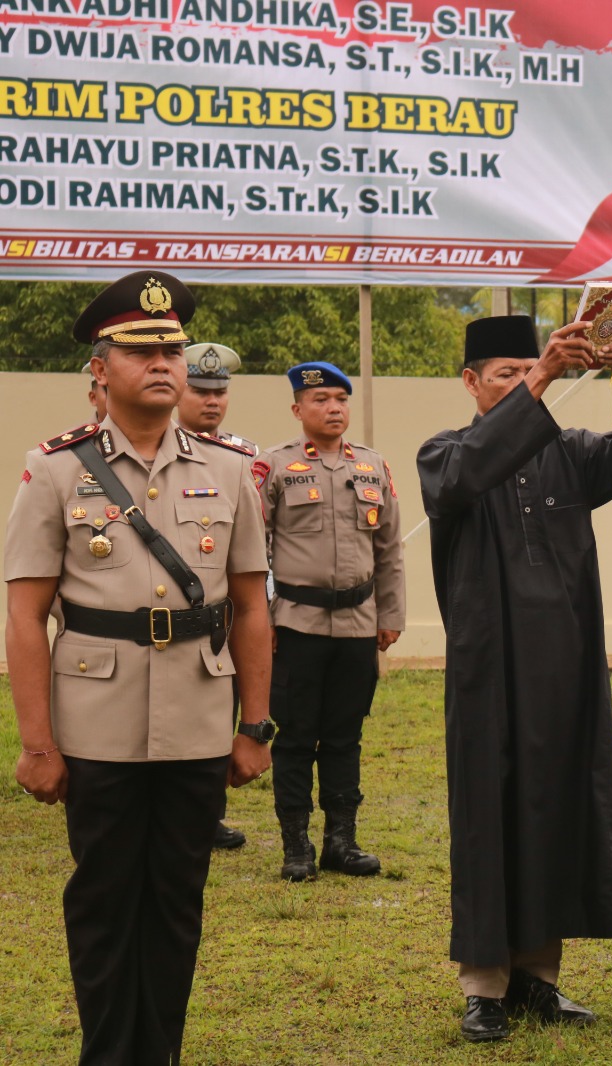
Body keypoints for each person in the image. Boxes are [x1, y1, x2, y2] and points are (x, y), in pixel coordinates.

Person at [6, 270, 272, 1063]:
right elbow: (24, 616)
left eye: (173, 349)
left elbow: (253, 609)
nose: (163, 361)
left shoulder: (229, 469)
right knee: (102, 900)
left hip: (197, 719)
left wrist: (255, 726)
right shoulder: (54, 468)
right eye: (141, 349)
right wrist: (37, 743)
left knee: (175, 903)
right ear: (100, 369)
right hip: (96, 725)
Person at [417, 314, 612, 1043]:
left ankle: (539, 980)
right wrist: (545, 375)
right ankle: (484, 988)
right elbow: (465, 477)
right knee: (490, 818)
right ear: (469, 382)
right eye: (506, 374)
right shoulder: (445, 452)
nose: (522, 383)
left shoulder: (571, 453)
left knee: (558, 811)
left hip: (567, 670)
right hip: (488, 675)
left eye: (531, 369)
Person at [257, 362, 405, 882]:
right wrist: (260, 620)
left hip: (359, 626)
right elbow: (254, 551)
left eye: (341, 399)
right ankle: (295, 846)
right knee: (295, 737)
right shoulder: (272, 467)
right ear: (298, 409)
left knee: (345, 736)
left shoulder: (373, 467)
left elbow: (389, 550)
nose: (334, 408)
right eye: (320, 400)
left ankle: (341, 841)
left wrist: (390, 616)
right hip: (296, 624)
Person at [176, 340, 259, 850]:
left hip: (229, 608)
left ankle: (208, 813)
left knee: (223, 703)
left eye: (220, 391)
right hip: (174, 606)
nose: (212, 400)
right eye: (201, 390)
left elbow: (258, 544)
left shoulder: (243, 457)